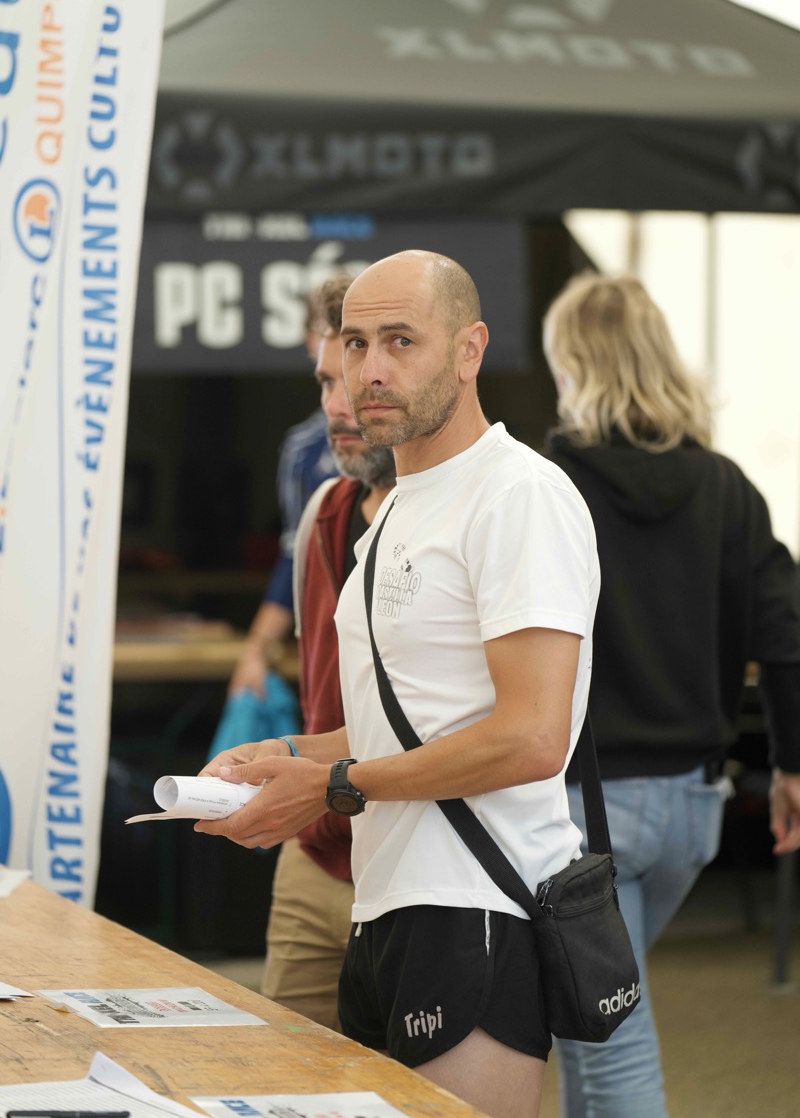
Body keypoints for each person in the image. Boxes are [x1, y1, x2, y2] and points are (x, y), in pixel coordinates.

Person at [196, 250, 600, 1118]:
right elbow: (415, 721)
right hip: (384, 901)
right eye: (355, 343)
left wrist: (330, 785)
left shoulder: (517, 494)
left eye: (401, 341)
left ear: (469, 350)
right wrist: (287, 755)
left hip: (480, 902)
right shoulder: (397, 507)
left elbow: (533, 737)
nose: (370, 369)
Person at [541, 272, 800, 1118]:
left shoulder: (546, 485)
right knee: (592, 1026)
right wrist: (792, 766)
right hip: (692, 809)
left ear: (570, 365)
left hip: (583, 810)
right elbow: (783, 640)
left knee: (613, 1049)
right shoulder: (727, 487)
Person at [261, 274, 396, 1030]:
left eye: (353, 382)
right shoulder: (323, 514)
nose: (336, 407)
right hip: (314, 855)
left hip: (423, 863)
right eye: (323, 381)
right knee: (288, 1073)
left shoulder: (471, 517)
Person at [227, 293, 338, 699]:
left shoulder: (407, 430)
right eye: (329, 331)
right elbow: (296, 556)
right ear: (311, 340)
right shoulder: (304, 448)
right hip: (332, 643)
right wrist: (255, 651)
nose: (342, 344)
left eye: (355, 336)